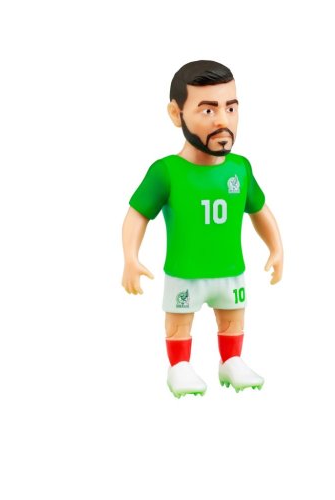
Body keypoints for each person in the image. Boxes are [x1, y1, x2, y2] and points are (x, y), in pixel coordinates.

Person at [122, 60, 283, 398]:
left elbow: (259, 210)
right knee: (179, 322)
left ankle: (231, 361)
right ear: (176, 113)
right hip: (185, 272)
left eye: (230, 108)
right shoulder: (167, 171)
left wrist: (277, 248)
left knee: (233, 319)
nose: (223, 120)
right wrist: (130, 258)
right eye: (208, 110)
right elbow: (137, 215)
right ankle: (179, 366)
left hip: (230, 270)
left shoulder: (240, 168)